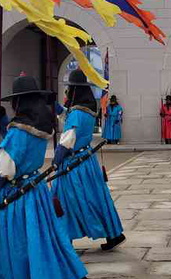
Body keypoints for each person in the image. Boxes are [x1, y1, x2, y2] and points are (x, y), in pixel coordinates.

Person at [0, 75, 88, 279]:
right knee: (4, 241)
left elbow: (5, 167)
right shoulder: (39, 127)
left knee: (23, 244)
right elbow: (18, 145)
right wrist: (2, 123)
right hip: (35, 191)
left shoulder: (18, 132)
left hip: (16, 196)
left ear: (19, 102)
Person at [52, 71, 126, 250]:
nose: (67, 93)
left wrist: (56, 160)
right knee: (97, 198)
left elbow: (68, 139)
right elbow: (67, 115)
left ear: (74, 90)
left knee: (63, 199)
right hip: (87, 161)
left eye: (69, 89)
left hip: (73, 164)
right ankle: (114, 234)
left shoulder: (77, 113)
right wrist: (53, 106)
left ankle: (65, 239)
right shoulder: (86, 111)